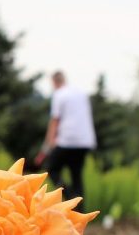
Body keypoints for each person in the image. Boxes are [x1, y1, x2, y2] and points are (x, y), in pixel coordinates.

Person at [34, 71, 97, 206]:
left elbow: (55, 121)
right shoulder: (81, 94)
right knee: (76, 175)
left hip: (67, 140)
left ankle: (69, 198)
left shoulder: (59, 94)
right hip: (85, 141)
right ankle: (79, 210)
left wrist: (48, 144)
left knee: (51, 169)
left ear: (54, 82)